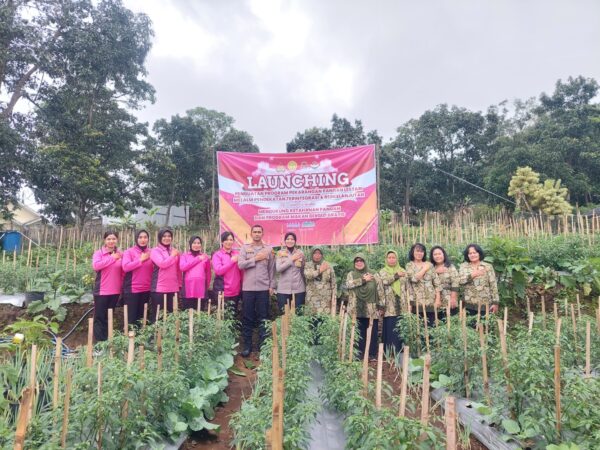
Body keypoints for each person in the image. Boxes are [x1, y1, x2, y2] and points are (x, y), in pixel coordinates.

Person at [238, 224, 275, 357]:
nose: (257, 234)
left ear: (262, 234)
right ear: (251, 233)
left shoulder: (269, 250)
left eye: (259, 232)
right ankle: (247, 346)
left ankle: (262, 347)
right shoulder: (245, 248)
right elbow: (241, 264)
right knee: (247, 317)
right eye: (255, 232)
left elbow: (272, 269)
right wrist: (255, 259)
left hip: (263, 288)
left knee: (263, 317)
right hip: (248, 289)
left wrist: (271, 286)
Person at [346, 254, 385, 360]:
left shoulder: (373, 274)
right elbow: (348, 285)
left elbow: (380, 289)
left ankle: (372, 354)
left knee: (372, 331)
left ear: (365, 262)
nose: (358, 263)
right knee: (358, 331)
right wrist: (363, 280)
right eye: (356, 261)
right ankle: (358, 354)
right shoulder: (351, 274)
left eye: (361, 260)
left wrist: (381, 306)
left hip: (371, 309)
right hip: (355, 308)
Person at [92, 231, 123, 342]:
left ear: (117, 240)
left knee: (109, 317)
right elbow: (96, 266)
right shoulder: (99, 253)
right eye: (109, 239)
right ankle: (100, 343)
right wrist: (112, 258)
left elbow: (122, 271)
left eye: (113, 239)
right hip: (102, 291)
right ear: (104, 240)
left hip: (115, 291)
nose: (111, 241)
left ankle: (107, 342)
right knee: (100, 318)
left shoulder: (120, 254)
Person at [122, 229, 152, 327]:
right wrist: (140, 260)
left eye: (145, 237)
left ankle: (141, 340)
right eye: (140, 237)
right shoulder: (129, 252)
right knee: (132, 317)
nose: (143, 240)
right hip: (132, 289)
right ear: (136, 239)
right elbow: (125, 267)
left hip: (147, 289)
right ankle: (130, 339)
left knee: (142, 316)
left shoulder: (151, 252)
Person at [406, 243, 441, 327]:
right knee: (418, 329)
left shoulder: (430, 265)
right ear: (412, 252)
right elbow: (414, 279)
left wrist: (438, 299)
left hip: (430, 302)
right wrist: (425, 269)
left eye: (422, 251)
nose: (419, 253)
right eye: (417, 251)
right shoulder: (409, 265)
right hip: (416, 302)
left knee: (431, 328)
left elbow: (436, 283)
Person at [458, 244, 499, 316]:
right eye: (470, 253)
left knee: (485, 325)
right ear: (467, 255)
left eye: (475, 252)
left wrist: (495, 303)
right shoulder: (463, 266)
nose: (472, 255)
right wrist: (472, 275)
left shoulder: (488, 266)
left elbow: (493, 285)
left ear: (479, 253)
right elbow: (460, 281)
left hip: (485, 304)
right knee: (470, 326)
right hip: (469, 304)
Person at [150, 228, 180, 322]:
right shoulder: (155, 251)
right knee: (158, 316)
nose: (167, 238)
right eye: (164, 236)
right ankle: (156, 336)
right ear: (160, 238)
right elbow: (162, 264)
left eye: (169, 236)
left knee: (171, 316)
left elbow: (178, 269)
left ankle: (168, 336)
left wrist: (179, 284)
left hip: (173, 288)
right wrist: (172, 256)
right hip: (159, 288)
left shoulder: (174, 250)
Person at [378, 250, 406, 354]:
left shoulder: (403, 270)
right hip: (389, 305)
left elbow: (407, 287)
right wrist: (396, 275)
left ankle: (401, 352)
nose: (391, 259)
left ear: (397, 259)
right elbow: (384, 282)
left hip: (402, 304)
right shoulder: (383, 271)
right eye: (389, 257)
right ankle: (390, 353)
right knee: (390, 327)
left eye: (393, 257)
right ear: (386, 259)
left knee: (401, 327)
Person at [212, 231, 243, 316]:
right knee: (223, 316)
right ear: (222, 241)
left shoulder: (237, 254)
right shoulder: (217, 255)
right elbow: (218, 271)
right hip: (223, 290)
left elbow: (242, 271)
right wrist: (231, 261)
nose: (229, 242)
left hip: (236, 290)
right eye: (226, 240)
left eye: (231, 240)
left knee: (233, 315)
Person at [275, 232, 306, 312]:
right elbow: (278, 269)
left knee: (298, 315)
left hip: (299, 289)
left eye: (292, 239)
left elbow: (303, 270)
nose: (290, 241)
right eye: (288, 239)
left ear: (295, 241)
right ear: (285, 241)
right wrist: (291, 259)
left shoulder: (300, 253)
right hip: (283, 290)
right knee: (284, 314)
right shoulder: (280, 253)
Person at [179, 236, 211, 310]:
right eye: (194, 243)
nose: (196, 245)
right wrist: (198, 259)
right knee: (188, 312)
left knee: (200, 313)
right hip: (188, 289)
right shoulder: (184, 256)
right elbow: (182, 267)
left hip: (201, 289)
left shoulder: (205, 257)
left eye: (198, 243)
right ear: (190, 244)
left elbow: (208, 273)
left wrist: (207, 285)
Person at [304, 247, 336, 315]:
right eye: (315, 253)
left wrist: (334, 297)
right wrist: (320, 270)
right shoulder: (307, 265)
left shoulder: (328, 265)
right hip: (312, 298)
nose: (317, 255)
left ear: (322, 255)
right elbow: (308, 275)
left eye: (319, 253)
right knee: (311, 320)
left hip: (325, 299)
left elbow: (333, 282)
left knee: (324, 320)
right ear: (312, 254)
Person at [430, 245, 459, 319]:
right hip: (434, 299)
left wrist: (453, 297)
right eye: (435, 254)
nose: (437, 256)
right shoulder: (430, 268)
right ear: (432, 256)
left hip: (448, 298)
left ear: (443, 254)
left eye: (439, 254)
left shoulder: (450, 266)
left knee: (450, 321)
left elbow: (455, 282)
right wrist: (436, 271)